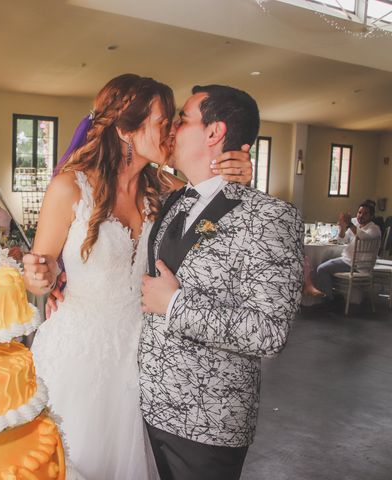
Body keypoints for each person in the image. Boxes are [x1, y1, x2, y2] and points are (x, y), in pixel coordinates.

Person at [21, 74, 253, 479]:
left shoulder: (166, 191)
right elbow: (40, 273)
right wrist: (41, 278)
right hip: (79, 352)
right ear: (127, 128)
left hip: (141, 354)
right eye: (165, 122)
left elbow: (214, 203)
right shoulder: (68, 189)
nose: (173, 131)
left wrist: (237, 175)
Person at [140, 85, 304, 480]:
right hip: (144, 407)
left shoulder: (270, 217)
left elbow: (270, 332)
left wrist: (176, 305)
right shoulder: (174, 200)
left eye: (182, 119)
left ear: (214, 132)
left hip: (207, 421)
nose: (173, 128)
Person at [307, 201, 381, 299]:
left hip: (357, 265)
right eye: (359, 212)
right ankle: (334, 295)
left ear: (371, 216)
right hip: (348, 261)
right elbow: (343, 239)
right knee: (324, 262)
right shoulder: (356, 225)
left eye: (365, 213)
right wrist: (342, 227)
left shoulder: (374, 228)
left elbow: (362, 236)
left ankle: (328, 300)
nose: (361, 215)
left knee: (322, 269)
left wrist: (350, 224)